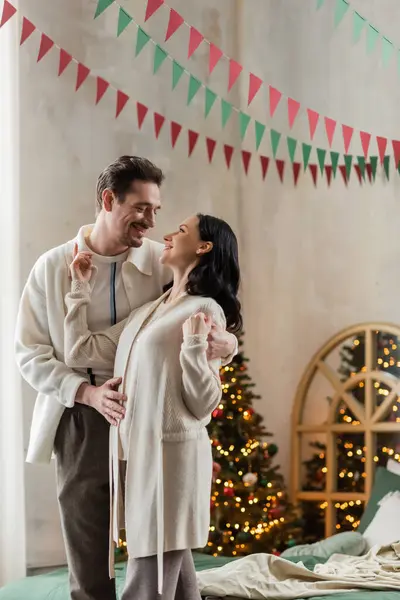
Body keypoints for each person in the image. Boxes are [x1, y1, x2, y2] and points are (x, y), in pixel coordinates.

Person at [14, 156, 238, 600]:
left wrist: (229, 346)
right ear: (108, 200)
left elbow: (202, 317)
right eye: (141, 208)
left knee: (154, 528)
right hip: (77, 412)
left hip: (151, 415)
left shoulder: (164, 259)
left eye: (157, 209)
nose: (153, 221)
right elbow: (30, 353)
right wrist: (87, 392)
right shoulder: (53, 267)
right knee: (87, 534)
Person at [63, 213, 242, 600]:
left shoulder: (205, 310)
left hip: (173, 463)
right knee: (177, 587)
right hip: (140, 457)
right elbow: (81, 351)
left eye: (180, 230)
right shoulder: (151, 311)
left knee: (145, 585)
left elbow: (203, 404)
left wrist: (195, 345)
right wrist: (79, 288)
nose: (167, 234)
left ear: (203, 247)